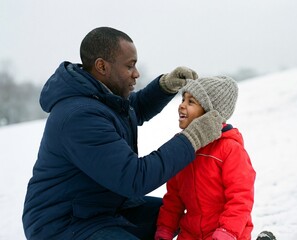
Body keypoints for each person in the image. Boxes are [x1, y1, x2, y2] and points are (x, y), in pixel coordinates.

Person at [22, 26, 224, 240]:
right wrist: (191, 139)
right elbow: (134, 178)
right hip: (63, 224)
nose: (136, 73)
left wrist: (164, 86)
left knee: (187, 215)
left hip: (105, 206)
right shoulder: (79, 117)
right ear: (102, 66)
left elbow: (131, 110)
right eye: (130, 66)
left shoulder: (99, 97)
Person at [155, 75, 256, 240]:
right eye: (183, 99)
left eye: (191, 102)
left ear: (210, 113)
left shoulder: (230, 149)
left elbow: (240, 198)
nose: (181, 105)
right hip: (190, 233)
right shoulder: (182, 148)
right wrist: (166, 228)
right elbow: (173, 197)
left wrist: (227, 232)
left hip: (225, 233)